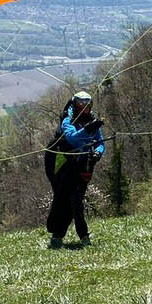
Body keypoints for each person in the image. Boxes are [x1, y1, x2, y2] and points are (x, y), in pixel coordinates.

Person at [44, 90, 105, 248]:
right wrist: (88, 130)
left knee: (76, 199)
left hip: (81, 163)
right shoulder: (68, 119)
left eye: (88, 104)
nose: (85, 107)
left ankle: (81, 236)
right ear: (75, 105)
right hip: (60, 163)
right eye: (81, 104)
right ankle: (58, 234)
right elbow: (72, 138)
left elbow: (100, 141)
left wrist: (98, 153)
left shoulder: (91, 120)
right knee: (62, 198)